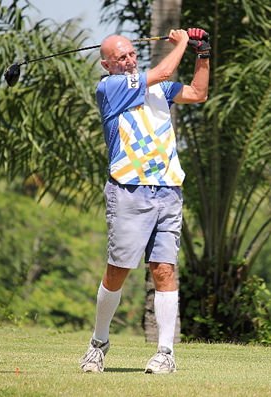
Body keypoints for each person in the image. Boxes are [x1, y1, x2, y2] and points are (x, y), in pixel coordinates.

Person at [80, 28, 210, 374]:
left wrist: (203, 53)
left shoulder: (160, 90)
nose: (129, 60)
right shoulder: (110, 88)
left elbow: (197, 93)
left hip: (168, 189)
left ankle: (165, 353)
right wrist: (183, 41)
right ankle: (99, 343)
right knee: (118, 271)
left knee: (164, 270)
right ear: (106, 64)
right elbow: (165, 70)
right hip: (129, 190)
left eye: (131, 54)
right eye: (120, 57)